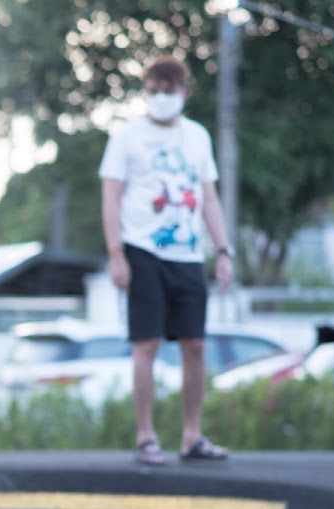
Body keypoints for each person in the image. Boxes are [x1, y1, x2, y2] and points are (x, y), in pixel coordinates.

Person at [99, 56, 234, 466]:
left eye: (168, 90)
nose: (161, 98)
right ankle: (146, 436)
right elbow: (111, 195)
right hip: (143, 251)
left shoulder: (197, 137)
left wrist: (223, 251)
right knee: (147, 344)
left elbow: (209, 197)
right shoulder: (126, 135)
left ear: (183, 92)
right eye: (154, 90)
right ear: (145, 92)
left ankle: (192, 436)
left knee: (194, 345)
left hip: (188, 255)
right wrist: (117, 254)